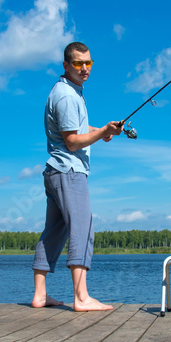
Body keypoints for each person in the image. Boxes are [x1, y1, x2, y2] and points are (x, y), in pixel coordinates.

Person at [31, 41, 123, 311]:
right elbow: (72, 141)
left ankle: (39, 295)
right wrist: (102, 130)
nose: (84, 68)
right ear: (66, 65)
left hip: (55, 172)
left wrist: (103, 131)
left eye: (89, 63)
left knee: (53, 233)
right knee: (82, 230)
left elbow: (78, 129)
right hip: (70, 171)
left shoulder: (67, 91)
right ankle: (82, 298)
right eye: (78, 63)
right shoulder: (68, 96)